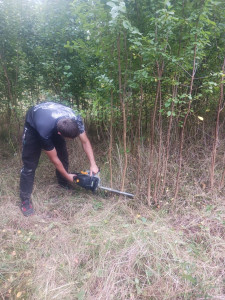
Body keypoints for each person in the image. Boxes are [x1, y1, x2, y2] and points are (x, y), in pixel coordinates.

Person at [19, 101, 99, 216]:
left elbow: (85, 142)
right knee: (29, 165)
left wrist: (93, 164)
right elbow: (54, 159)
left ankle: (63, 183)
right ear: (59, 133)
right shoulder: (43, 130)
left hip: (54, 121)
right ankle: (25, 200)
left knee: (63, 155)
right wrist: (68, 175)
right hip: (33, 125)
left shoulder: (75, 118)